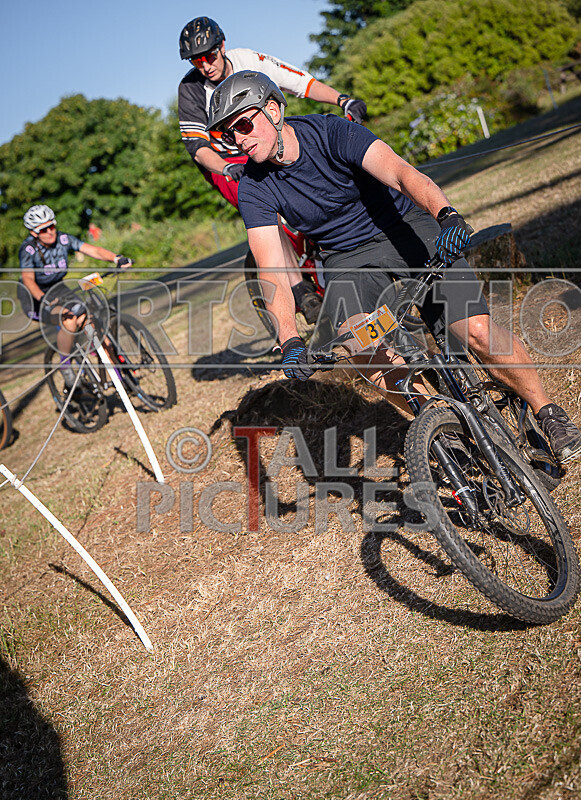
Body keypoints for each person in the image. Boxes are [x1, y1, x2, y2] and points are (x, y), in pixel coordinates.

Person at [206, 70, 581, 466]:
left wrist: (446, 215)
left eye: (244, 125)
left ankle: (548, 412)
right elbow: (271, 268)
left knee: (476, 331)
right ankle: (440, 419)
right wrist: (288, 338)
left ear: (274, 110)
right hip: (346, 258)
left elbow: (403, 174)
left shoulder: (333, 133)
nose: (240, 140)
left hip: (402, 227)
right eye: (230, 135)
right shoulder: (253, 186)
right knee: (361, 346)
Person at [178, 15, 367, 324]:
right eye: (196, 61)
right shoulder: (190, 88)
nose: (205, 65)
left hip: (263, 142)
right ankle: (301, 292)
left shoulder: (248, 60)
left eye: (209, 55)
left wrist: (343, 100)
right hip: (226, 161)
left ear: (222, 46)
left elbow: (300, 83)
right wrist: (226, 167)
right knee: (265, 207)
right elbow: (198, 149)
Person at [17, 204, 133, 387]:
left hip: (59, 288)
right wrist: (43, 299)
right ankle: (66, 366)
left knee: (90, 319)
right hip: (35, 298)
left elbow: (92, 250)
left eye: (52, 226)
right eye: (43, 230)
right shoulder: (28, 250)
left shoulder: (63, 239)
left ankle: (121, 380)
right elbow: (28, 280)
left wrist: (116, 258)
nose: (50, 232)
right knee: (70, 319)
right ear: (34, 233)